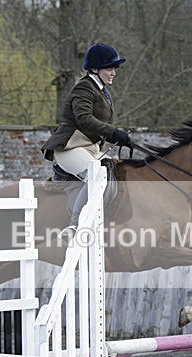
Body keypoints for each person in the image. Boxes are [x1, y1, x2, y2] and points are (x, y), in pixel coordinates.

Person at [41, 42, 133, 243]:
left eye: (114, 69)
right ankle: (74, 227)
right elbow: (84, 119)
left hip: (89, 148)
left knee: (118, 170)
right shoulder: (84, 87)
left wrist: (120, 137)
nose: (113, 73)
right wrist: (114, 132)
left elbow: (97, 126)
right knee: (96, 175)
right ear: (95, 69)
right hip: (70, 147)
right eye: (109, 68)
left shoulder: (101, 90)